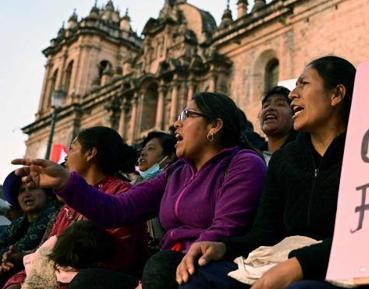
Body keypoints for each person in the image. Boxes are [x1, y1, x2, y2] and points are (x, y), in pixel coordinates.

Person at [13, 92, 267, 289]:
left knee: (161, 264)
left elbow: (224, 229)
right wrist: (65, 182)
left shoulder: (243, 163)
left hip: (212, 266)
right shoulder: (174, 173)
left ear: (215, 126)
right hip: (165, 269)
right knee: (89, 282)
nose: (176, 125)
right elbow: (117, 209)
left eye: (186, 115)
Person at [175, 56, 356, 289]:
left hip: (339, 270)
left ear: (336, 94)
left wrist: (300, 264)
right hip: (280, 263)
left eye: (304, 84)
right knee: (201, 276)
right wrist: (223, 247)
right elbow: (264, 234)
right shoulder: (285, 159)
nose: (292, 94)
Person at [4, 126, 148, 289]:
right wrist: (15, 283)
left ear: (90, 153)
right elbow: (42, 255)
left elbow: (118, 259)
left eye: (71, 149)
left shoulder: (121, 194)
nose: (66, 158)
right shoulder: (69, 208)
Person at [0, 172, 59, 285]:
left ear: (47, 193)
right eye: (22, 191)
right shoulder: (16, 225)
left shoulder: (55, 216)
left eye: (33, 188)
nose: (27, 194)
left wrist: (8, 258)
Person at [258, 86, 296, 163]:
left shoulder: (303, 154)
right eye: (266, 106)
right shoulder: (253, 157)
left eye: (280, 104)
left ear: (294, 115)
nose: (270, 108)